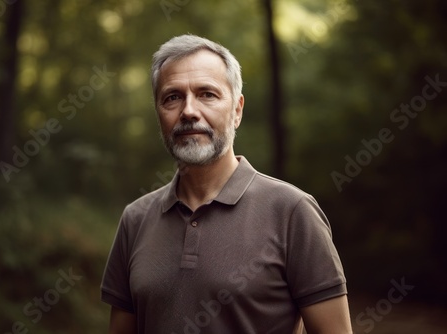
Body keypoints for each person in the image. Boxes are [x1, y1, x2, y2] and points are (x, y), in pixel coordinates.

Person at [101, 34, 352, 334]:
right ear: (159, 113)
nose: (189, 111)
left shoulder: (292, 211)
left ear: (237, 110)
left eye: (207, 94)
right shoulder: (135, 219)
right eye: (172, 97)